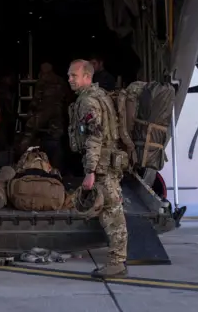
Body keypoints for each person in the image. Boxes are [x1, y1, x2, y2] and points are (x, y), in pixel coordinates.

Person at [67, 59, 128, 278]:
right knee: (111, 210)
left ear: (87, 76)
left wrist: (90, 171)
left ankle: (117, 262)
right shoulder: (100, 95)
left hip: (101, 164)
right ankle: (117, 260)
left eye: (74, 76)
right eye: (69, 76)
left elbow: (94, 136)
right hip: (108, 161)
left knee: (112, 213)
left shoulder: (89, 101)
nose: (70, 80)